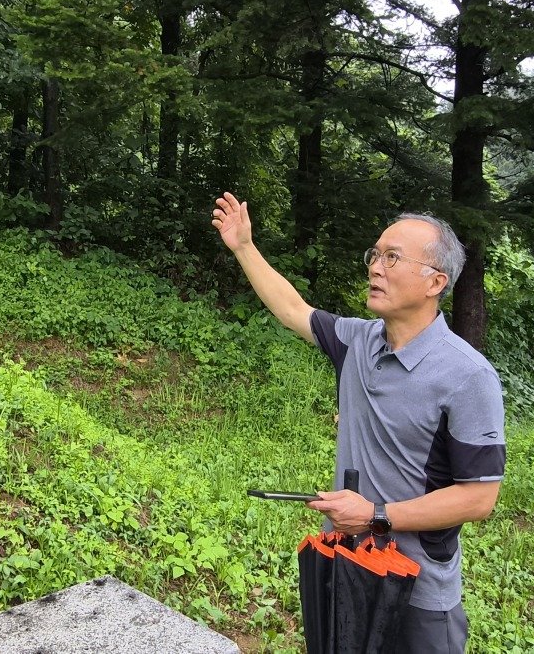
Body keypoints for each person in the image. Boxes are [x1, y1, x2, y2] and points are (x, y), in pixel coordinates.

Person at [212, 191, 505, 653]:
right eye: (375, 254)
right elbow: (293, 310)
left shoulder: (468, 375)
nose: (375, 268)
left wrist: (375, 515)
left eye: (393, 257)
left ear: (435, 282)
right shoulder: (356, 342)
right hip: (349, 568)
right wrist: (244, 247)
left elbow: (479, 497)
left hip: (418, 590)